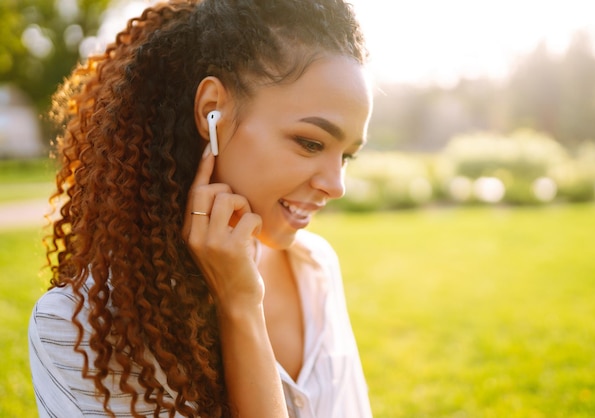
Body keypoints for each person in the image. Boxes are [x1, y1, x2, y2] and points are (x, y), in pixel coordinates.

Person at [28, 0, 373, 416]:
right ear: (213, 111)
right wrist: (240, 306)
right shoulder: (79, 330)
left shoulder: (316, 269)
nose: (336, 185)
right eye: (311, 143)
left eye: (346, 156)